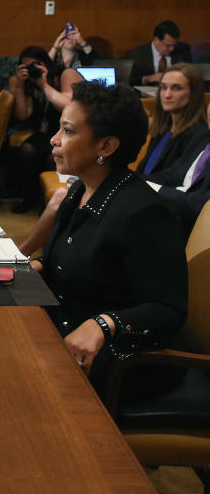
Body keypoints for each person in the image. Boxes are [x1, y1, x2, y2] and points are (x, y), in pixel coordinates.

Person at [34, 81, 187, 395]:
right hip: (63, 336)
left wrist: (105, 323)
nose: (55, 140)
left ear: (106, 147)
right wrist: (33, 269)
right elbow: (61, 268)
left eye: (68, 131)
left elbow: (169, 309)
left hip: (122, 364)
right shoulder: (80, 189)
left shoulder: (144, 213)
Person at [8, 45, 84, 212]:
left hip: (69, 133)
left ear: (46, 62)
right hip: (46, 133)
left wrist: (44, 84)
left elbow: (68, 107)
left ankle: (54, 204)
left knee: (52, 157)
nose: (32, 69)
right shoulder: (30, 83)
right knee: (26, 149)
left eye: (36, 64)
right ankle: (30, 199)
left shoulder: (65, 74)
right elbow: (23, 114)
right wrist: (20, 85)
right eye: (27, 66)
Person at [136, 64, 210, 178]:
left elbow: (174, 178)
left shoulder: (200, 134)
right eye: (164, 87)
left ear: (194, 93)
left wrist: (131, 183)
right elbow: (144, 169)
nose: (167, 95)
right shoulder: (162, 128)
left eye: (177, 88)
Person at [125, 20, 193, 86]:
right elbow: (126, 80)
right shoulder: (136, 54)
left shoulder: (183, 50)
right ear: (156, 40)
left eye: (174, 45)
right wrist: (147, 79)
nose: (172, 49)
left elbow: (191, 75)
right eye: (168, 45)